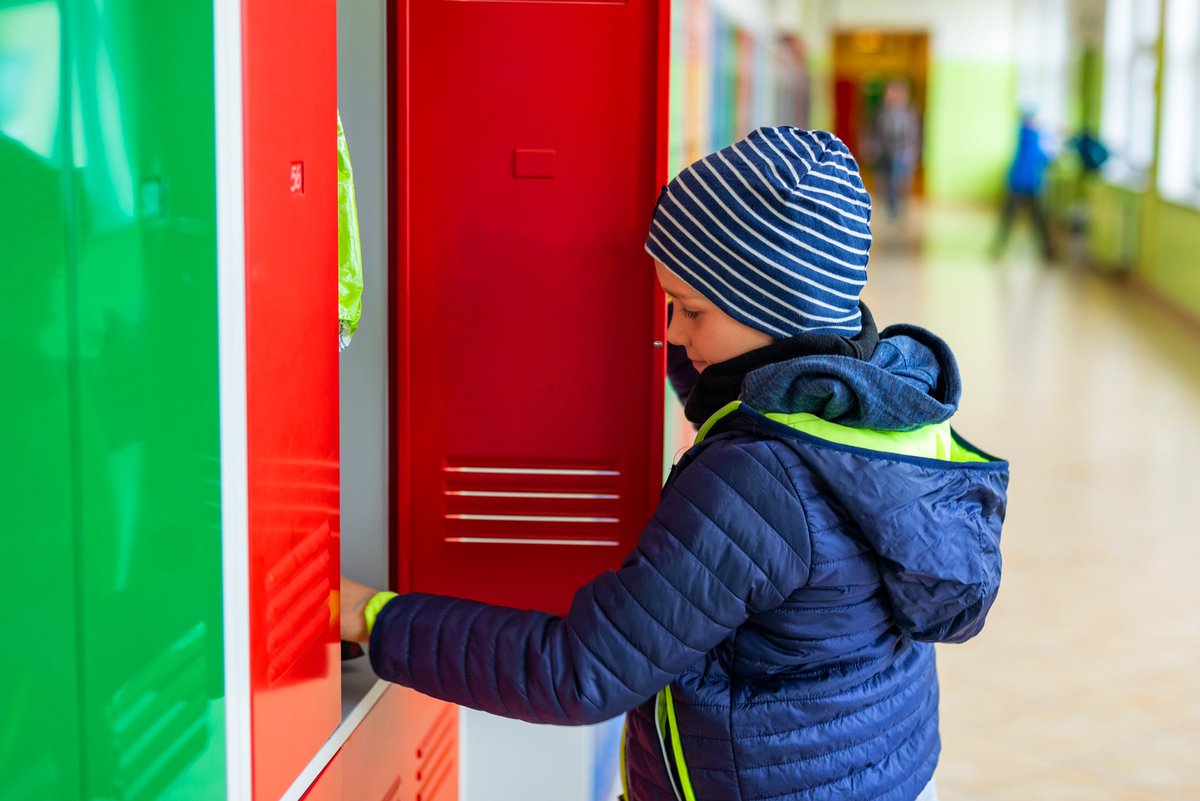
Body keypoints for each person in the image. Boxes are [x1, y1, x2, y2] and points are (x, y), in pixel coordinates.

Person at [341, 127, 1009, 801]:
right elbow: (739, 397)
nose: (676, 333)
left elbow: (579, 671)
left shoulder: (755, 481)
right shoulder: (873, 398)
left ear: (775, 311)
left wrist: (372, 614)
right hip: (871, 767)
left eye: (692, 310)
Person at [994, 112, 1055, 261]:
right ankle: (1047, 251)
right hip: (1027, 185)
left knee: (1016, 219)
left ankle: (998, 248)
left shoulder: (1026, 137)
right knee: (1035, 219)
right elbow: (1045, 158)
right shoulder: (1031, 138)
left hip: (1021, 184)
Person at [868, 78, 922, 221]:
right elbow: (874, 132)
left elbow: (914, 134)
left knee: (900, 182)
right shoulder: (880, 112)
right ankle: (889, 211)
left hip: (903, 153)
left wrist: (913, 151)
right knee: (885, 183)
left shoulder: (910, 112)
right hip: (884, 154)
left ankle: (899, 211)